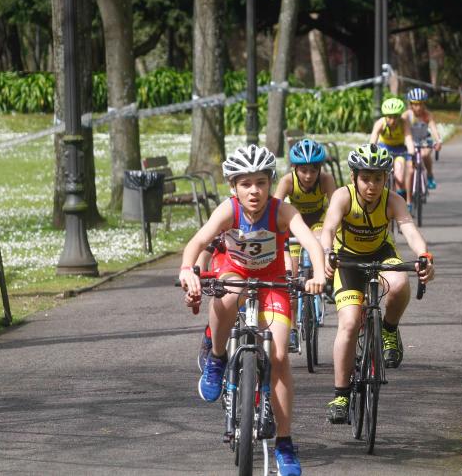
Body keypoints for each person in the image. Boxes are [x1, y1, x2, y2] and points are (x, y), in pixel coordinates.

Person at [179, 144, 326, 476]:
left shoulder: (282, 211)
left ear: (270, 183)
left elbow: (310, 241)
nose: (254, 191)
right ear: (234, 187)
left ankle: (285, 446)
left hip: (274, 282)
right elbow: (198, 241)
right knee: (227, 294)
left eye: (260, 182)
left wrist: (317, 274)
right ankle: (217, 358)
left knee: (278, 356)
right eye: (245, 183)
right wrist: (188, 269)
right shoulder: (228, 210)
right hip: (237, 273)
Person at [319, 143, 435, 424]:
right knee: (348, 324)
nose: (372, 185)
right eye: (366, 178)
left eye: (378, 178)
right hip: (347, 261)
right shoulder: (342, 197)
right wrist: (325, 253)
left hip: (381, 255)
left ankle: (389, 330)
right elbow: (329, 228)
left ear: (386, 178)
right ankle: (342, 394)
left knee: (398, 283)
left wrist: (424, 256)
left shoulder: (392, 200)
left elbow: (410, 231)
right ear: (354, 177)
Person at [274, 138, 337, 349]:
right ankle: (292, 329)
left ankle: (328, 281)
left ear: (320, 168)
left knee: (322, 242)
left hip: (318, 221)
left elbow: (336, 209)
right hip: (295, 225)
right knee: (290, 277)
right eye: (303, 170)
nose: (309, 176)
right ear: (294, 168)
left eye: (313, 170)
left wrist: (332, 234)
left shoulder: (325, 180)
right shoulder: (287, 181)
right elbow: (274, 210)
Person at [370, 97, 416, 210]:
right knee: (379, 175)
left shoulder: (403, 123)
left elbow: (409, 139)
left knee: (399, 178)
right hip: (384, 149)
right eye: (389, 117)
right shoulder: (380, 123)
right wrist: (372, 152)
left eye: (395, 116)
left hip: (399, 150)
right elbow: (373, 140)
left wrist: (412, 153)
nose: (393, 120)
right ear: (385, 116)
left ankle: (401, 204)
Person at [404, 88, 442, 189]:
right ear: (411, 104)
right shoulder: (407, 115)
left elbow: (433, 129)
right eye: (415, 104)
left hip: (425, 139)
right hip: (411, 140)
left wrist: (438, 141)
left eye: (421, 104)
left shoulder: (427, 115)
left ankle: (429, 175)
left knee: (425, 154)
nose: (418, 107)